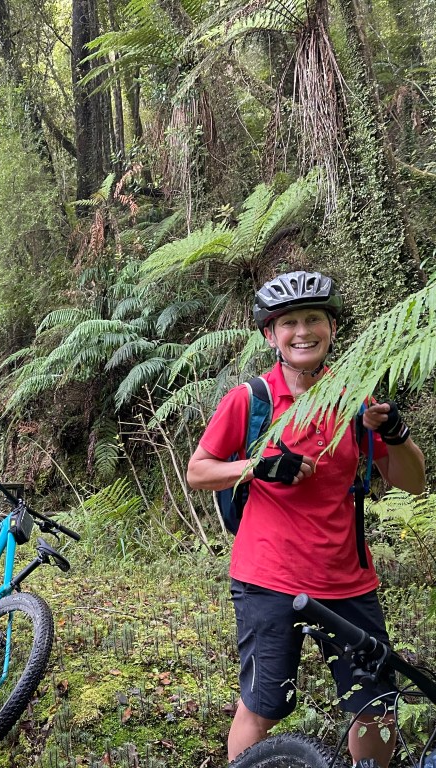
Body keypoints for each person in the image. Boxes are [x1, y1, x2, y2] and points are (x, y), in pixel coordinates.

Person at [186, 271, 425, 767]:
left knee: (376, 706)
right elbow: (199, 470)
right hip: (268, 579)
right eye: (288, 323)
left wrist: (396, 432)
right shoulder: (250, 399)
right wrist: (258, 466)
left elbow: (414, 482)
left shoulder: (356, 399)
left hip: (348, 580)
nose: (302, 332)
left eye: (313, 319)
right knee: (263, 707)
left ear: (331, 328)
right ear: (270, 335)